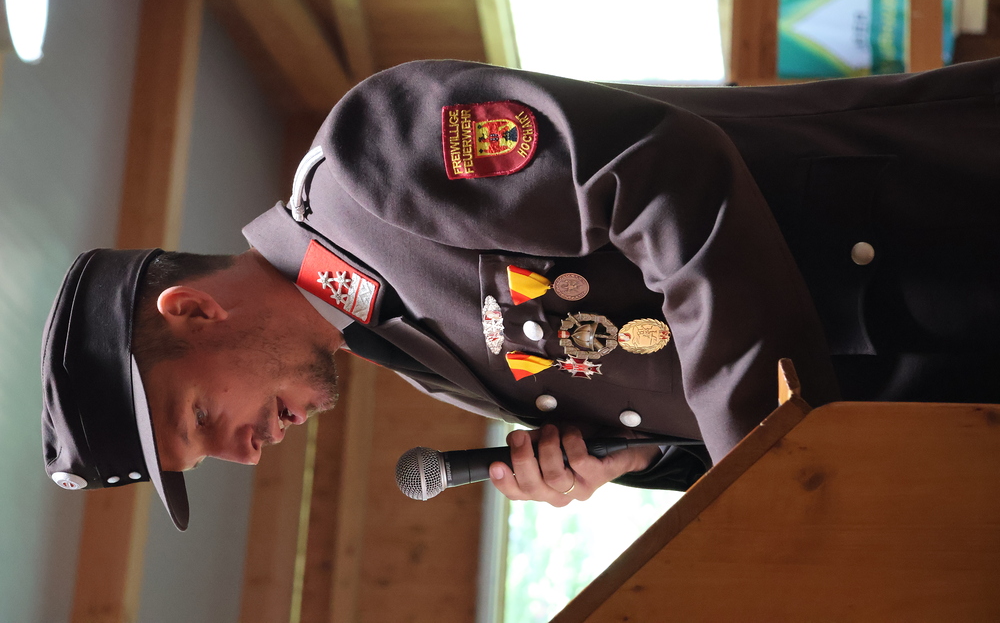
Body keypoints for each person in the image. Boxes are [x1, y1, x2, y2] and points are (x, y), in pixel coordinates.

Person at [41, 58, 1000, 531]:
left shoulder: (366, 165)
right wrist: (629, 459)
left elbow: (662, 171)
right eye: (212, 455)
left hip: (942, 227)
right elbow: (664, 376)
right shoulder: (399, 347)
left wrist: (773, 466)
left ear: (193, 310)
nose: (246, 451)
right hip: (933, 390)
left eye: (200, 417)